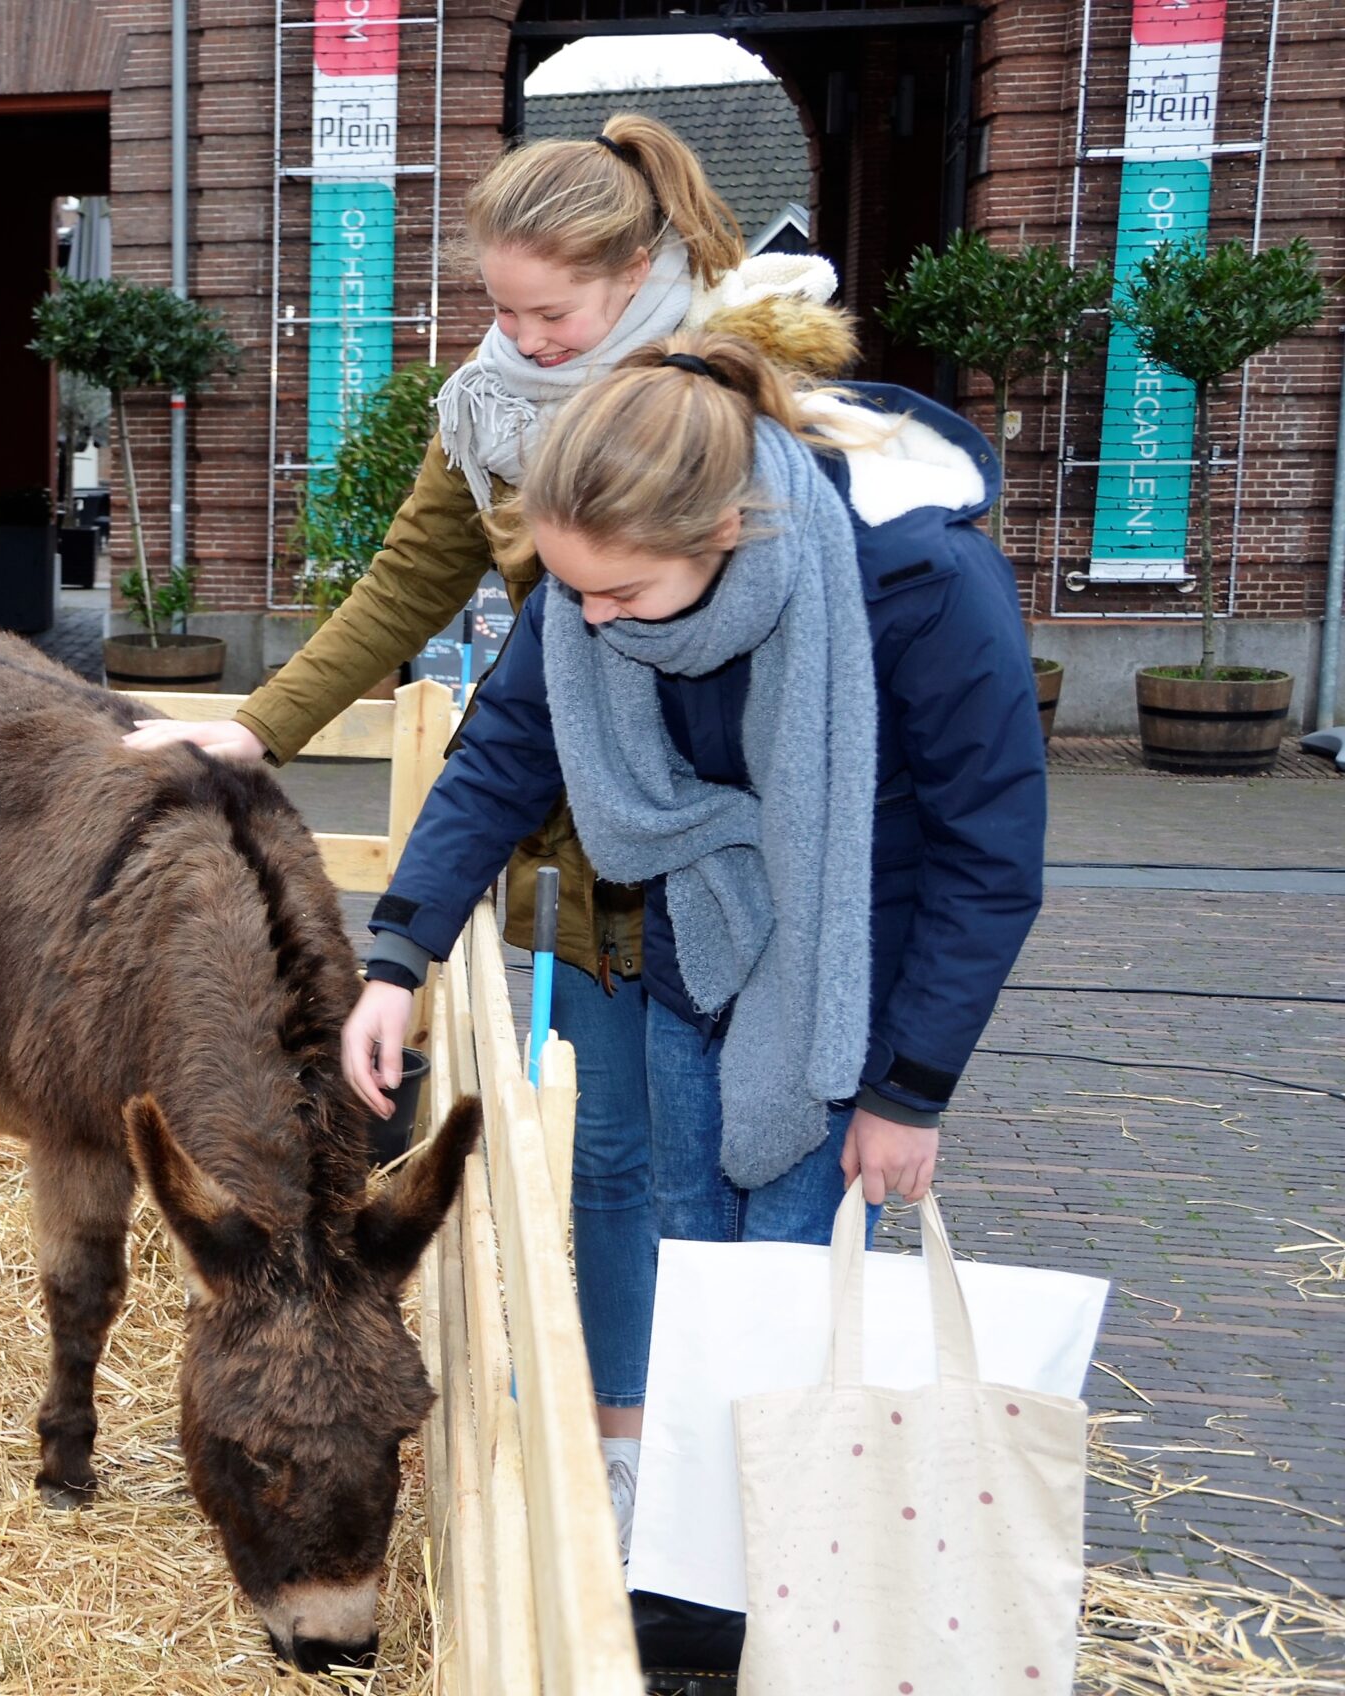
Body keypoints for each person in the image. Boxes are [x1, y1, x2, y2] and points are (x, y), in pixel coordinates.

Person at [126, 114, 854, 1553]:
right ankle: (621, 1437)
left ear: (639, 270)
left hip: (738, 858)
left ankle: (715, 1480)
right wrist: (262, 725)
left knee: (709, 1164)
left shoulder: (726, 400)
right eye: (498, 307)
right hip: (572, 834)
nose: (519, 337)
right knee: (605, 1157)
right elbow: (420, 594)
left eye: (550, 311)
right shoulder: (490, 408)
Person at [343, 327, 1045, 1344]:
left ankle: (753, 1496)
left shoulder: (920, 583)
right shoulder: (602, 574)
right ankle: (681, 1484)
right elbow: (504, 748)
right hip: (699, 949)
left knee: (789, 1287)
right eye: (570, 588)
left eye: (619, 594)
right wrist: (396, 957)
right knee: (688, 1248)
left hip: (850, 998)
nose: (587, 622)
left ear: (723, 531)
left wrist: (911, 1092)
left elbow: (988, 853)